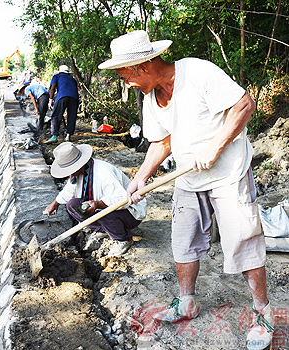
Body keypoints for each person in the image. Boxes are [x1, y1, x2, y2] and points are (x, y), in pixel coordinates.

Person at [99, 30, 272, 349]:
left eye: (125, 75)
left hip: (228, 174)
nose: (126, 83)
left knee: (243, 242)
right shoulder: (151, 99)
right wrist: (141, 177)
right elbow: (162, 142)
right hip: (189, 179)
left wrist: (216, 146)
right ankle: (186, 302)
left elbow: (244, 105)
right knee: (183, 242)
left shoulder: (197, 72)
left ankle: (262, 313)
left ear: (143, 66)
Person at [43, 142, 147, 255]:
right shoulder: (78, 174)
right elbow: (68, 191)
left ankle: (123, 239)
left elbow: (122, 200)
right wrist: (54, 204)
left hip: (130, 212)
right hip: (105, 209)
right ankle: (105, 229)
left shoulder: (103, 172)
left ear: (78, 165)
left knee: (105, 213)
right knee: (72, 205)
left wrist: (98, 204)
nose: (69, 174)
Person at [45, 65, 79, 144]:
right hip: (74, 98)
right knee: (71, 116)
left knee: (56, 115)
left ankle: (54, 136)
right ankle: (68, 136)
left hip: (62, 96)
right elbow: (76, 89)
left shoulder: (57, 76)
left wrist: (50, 100)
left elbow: (52, 88)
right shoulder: (73, 79)